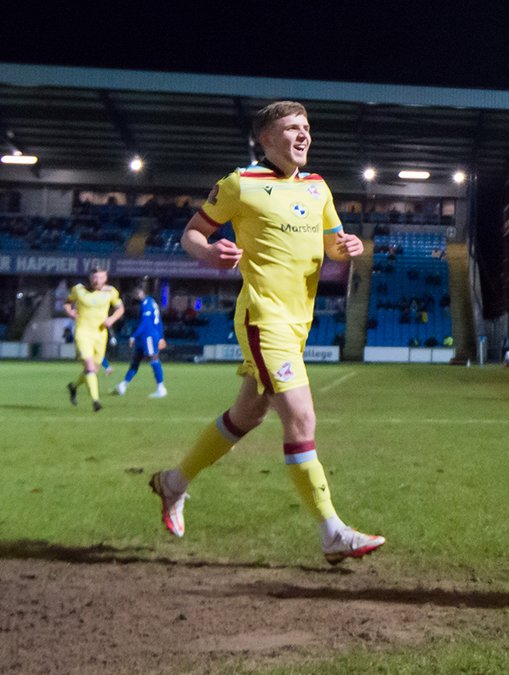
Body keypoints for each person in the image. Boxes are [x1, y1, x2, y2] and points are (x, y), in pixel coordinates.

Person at [148, 101, 384, 565]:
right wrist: (209, 253)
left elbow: (333, 245)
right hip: (263, 320)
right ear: (267, 139)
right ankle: (332, 532)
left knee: (247, 415)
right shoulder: (241, 184)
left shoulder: (318, 188)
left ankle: (172, 483)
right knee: (301, 418)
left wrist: (347, 247)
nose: (304, 136)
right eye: (292, 128)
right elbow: (192, 233)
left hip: (299, 323)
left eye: (307, 128)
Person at [64, 267, 124, 412]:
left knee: (93, 370)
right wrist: (70, 312)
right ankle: (96, 401)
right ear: (90, 277)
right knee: (90, 367)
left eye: (100, 277)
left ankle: (73, 386)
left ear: (106, 278)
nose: (97, 280)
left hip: (100, 335)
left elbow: (120, 308)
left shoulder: (111, 292)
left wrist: (112, 319)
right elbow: (67, 302)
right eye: (94, 277)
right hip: (83, 332)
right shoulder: (78, 289)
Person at [114, 283, 168, 398]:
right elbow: (159, 321)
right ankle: (123, 385)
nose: (135, 295)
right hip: (145, 336)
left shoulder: (147, 304)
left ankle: (161, 388)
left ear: (142, 292)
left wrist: (134, 336)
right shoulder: (150, 302)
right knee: (136, 360)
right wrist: (161, 336)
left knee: (153, 358)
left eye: (136, 293)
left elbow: (146, 323)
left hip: (148, 335)